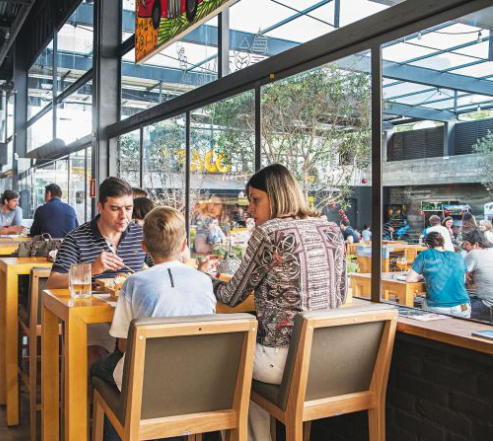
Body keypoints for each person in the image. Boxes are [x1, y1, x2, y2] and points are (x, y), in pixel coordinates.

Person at [199, 164, 346, 441]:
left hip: (284, 360)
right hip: (328, 358)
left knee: (221, 361)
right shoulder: (331, 229)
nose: (250, 209)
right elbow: (340, 293)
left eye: (256, 200)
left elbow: (232, 296)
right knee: (245, 365)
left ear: (277, 196)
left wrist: (204, 279)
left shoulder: (269, 232)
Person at [90, 206, 214, 441]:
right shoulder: (205, 281)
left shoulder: (134, 283)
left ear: (144, 247)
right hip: (197, 380)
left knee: (99, 367)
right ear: (185, 244)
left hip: (147, 383)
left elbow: (125, 347)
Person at [47, 177, 150, 289]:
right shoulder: (76, 238)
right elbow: (53, 282)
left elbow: (164, 269)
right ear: (100, 207)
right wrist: (92, 269)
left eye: (128, 208)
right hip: (90, 305)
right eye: (115, 209)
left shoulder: (142, 235)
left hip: (134, 305)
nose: (123, 216)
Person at [407, 232, 471, 318]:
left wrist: (422, 276)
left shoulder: (425, 254)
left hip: (438, 307)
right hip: (463, 307)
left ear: (427, 245)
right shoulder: (457, 256)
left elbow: (410, 279)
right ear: (443, 243)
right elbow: (463, 280)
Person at [463, 230, 493, 310]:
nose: (464, 247)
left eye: (467, 244)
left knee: (460, 308)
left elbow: (459, 278)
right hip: (487, 301)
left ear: (476, 244)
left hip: (487, 304)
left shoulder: (474, 253)